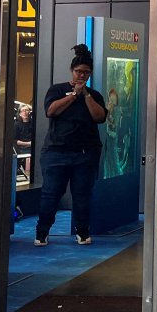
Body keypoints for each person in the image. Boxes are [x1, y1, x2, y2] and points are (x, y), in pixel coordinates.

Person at [35, 44, 108, 247]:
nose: (81, 76)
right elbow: (51, 111)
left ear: (90, 74)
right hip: (56, 152)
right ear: (72, 71)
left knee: (82, 195)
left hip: (85, 153)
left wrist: (84, 95)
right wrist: (73, 95)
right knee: (51, 193)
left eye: (85, 73)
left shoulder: (94, 95)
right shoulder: (57, 89)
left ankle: (82, 232)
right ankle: (42, 232)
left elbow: (99, 116)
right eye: (78, 72)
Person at [14, 104, 35, 179]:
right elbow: (15, 140)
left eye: (26, 110)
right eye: (23, 111)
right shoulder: (16, 125)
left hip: (33, 148)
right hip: (21, 148)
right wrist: (28, 144)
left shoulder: (34, 124)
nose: (25, 112)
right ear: (19, 113)